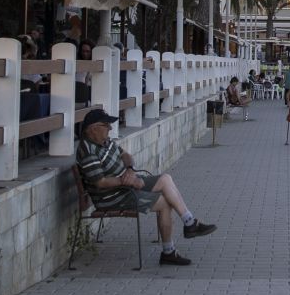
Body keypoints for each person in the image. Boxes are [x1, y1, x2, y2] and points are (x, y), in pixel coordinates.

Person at [75, 108, 216, 266]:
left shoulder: (105, 141)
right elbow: (100, 182)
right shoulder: (87, 151)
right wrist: (126, 181)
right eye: (106, 125)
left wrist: (129, 170)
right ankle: (168, 252)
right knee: (164, 203)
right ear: (93, 128)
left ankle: (189, 222)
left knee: (165, 178)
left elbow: (125, 156)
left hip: (126, 185)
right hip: (112, 196)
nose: (110, 128)